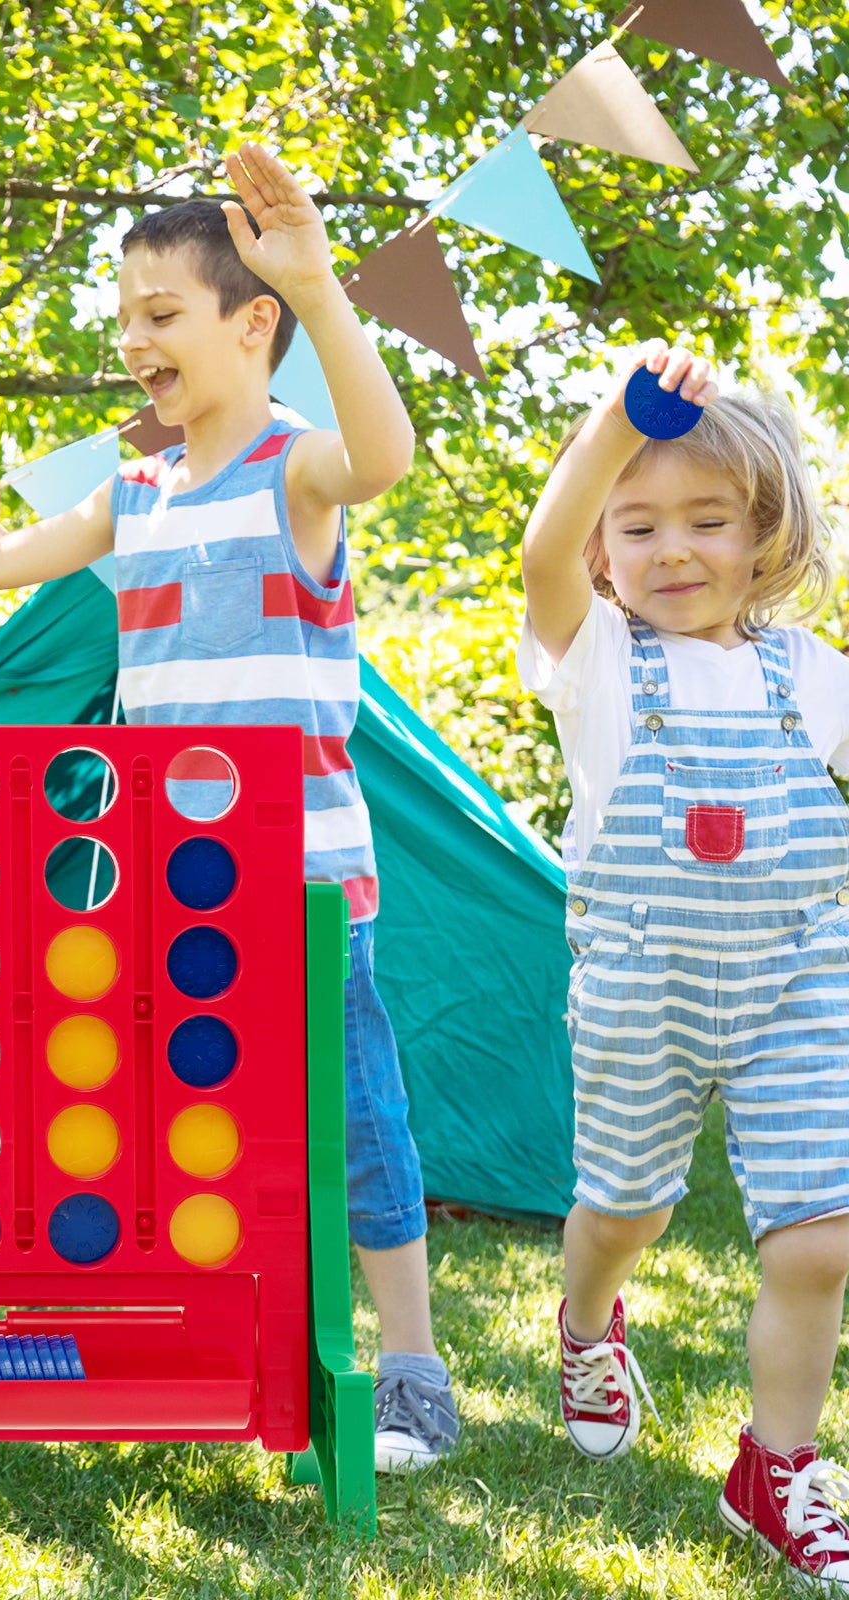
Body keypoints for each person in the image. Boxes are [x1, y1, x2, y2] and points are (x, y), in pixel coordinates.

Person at [0, 141, 459, 1472]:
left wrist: (319, 286)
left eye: (163, 315)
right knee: (176, 1109)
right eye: (125, 317)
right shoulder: (132, 497)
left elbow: (387, 455)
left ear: (247, 323)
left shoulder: (295, 470)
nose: (136, 340)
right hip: (163, 879)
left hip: (308, 887)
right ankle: (207, 1332)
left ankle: (415, 1370)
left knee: (359, 1120)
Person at [519, 340, 849, 1582]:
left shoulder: (812, 678)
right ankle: (587, 1319)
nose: (669, 550)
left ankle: (776, 1467)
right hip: (639, 993)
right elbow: (543, 553)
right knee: (627, 1210)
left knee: (822, 1237)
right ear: (604, 550)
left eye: (706, 521)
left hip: (799, 989)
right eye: (637, 524)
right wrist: (615, 420)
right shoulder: (596, 663)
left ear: (764, 534)